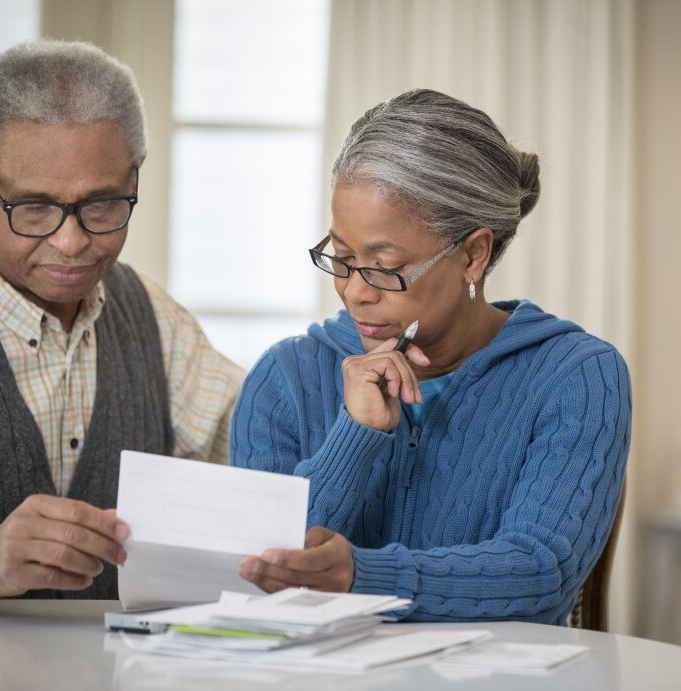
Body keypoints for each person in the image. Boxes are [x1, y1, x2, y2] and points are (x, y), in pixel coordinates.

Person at [231, 89, 631, 625]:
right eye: (342, 258)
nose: (354, 292)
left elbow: (543, 574)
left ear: (473, 254)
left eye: (384, 266)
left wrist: (363, 577)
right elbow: (254, 571)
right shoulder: (285, 376)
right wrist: (355, 435)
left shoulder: (577, 377)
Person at [0, 40, 245, 611]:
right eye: (34, 208)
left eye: (101, 205)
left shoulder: (152, 317)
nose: (72, 242)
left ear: (135, 176)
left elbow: (251, 446)